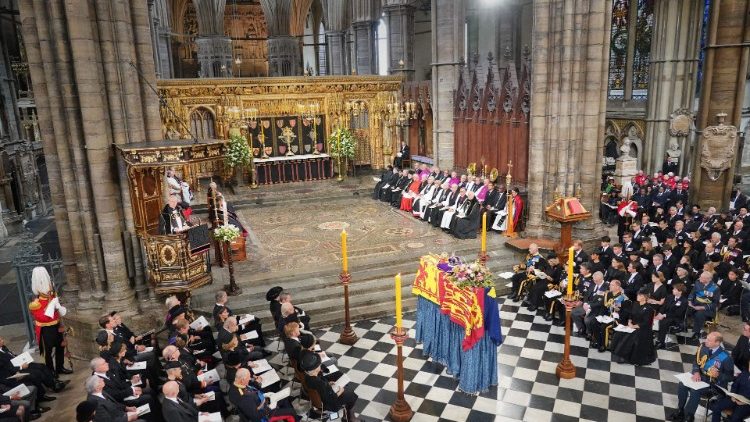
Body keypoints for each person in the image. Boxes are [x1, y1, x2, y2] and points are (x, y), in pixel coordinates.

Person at [671, 332, 734, 422]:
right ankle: (680, 410)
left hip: (714, 384)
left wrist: (718, 375)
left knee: (695, 390)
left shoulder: (726, 357)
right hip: (700, 377)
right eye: (706, 338)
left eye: (709, 340)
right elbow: (696, 361)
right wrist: (696, 372)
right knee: (682, 384)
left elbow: (730, 377)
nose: (706, 341)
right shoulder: (703, 347)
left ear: (717, 343)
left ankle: (689, 415)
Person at [28, 267, 71, 376]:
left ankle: (60, 367)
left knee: (60, 346)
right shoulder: (35, 303)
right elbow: (44, 318)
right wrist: (52, 304)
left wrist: (59, 307)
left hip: (56, 325)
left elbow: (59, 312)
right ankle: (50, 371)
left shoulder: (52, 296)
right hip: (45, 329)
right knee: (48, 351)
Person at [301, 351, 358, 422]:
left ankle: (348, 416)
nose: (320, 365)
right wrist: (340, 392)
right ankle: (351, 418)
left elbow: (321, 388)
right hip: (329, 404)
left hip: (317, 400)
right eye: (319, 364)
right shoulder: (319, 383)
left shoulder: (307, 377)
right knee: (351, 394)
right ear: (316, 368)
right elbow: (331, 399)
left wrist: (328, 383)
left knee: (349, 392)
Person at [228, 368, 299, 422]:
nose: (250, 379)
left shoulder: (235, 384)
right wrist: (269, 408)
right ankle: (287, 415)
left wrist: (264, 395)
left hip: (261, 403)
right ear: (242, 379)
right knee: (291, 412)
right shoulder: (245, 398)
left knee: (284, 399)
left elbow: (251, 391)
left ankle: (283, 415)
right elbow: (256, 416)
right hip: (265, 414)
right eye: (248, 377)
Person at [609, 290, 656, 366]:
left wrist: (634, 326)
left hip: (642, 329)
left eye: (640, 295)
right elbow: (630, 315)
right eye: (638, 295)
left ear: (644, 297)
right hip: (632, 325)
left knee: (630, 337)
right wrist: (629, 322)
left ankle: (625, 356)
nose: (637, 296)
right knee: (619, 333)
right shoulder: (635, 304)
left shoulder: (649, 309)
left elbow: (646, 323)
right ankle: (617, 352)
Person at [687, 271, 721, 339]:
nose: (700, 278)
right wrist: (690, 301)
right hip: (695, 304)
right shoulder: (698, 283)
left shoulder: (715, 288)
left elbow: (715, 303)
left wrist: (702, 307)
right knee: (683, 307)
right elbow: (692, 293)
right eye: (700, 277)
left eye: (702, 278)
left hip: (707, 308)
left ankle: (697, 332)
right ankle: (681, 325)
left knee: (699, 314)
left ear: (709, 279)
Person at [654, 283, 689, 349]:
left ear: (680, 291)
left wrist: (664, 315)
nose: (673, 290)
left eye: (675, 289)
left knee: (663, 322)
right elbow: (663, 306)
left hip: (676, 318)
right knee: (653, 318)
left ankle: (661, 342)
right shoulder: (670, 297)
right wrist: (660, 313)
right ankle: (653, 336)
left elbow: (678, 313)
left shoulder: (684, 301)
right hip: (667, 315)